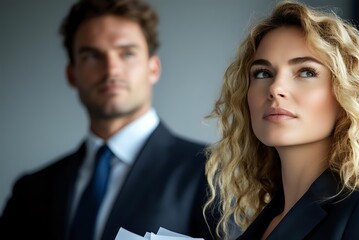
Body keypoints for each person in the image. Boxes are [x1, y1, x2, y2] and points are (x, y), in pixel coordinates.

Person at [204, 1, 359, 239]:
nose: (275, 88)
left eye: (306, 72)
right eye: (263, 73)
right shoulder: (267, 219)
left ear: (347, 94)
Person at [0, 0, 214, 239]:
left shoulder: (212, 173)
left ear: (153, 68)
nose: (111, 69)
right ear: (72, 75)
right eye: (92, 56)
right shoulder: (31, 191)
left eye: (127, 53)